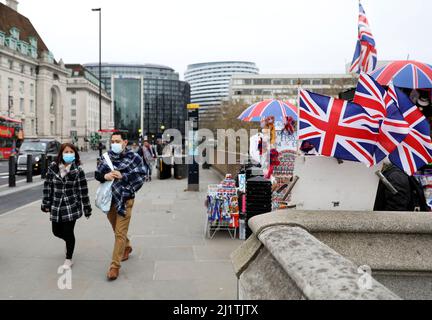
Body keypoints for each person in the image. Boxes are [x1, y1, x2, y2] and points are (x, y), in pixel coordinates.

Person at [95, 131, 147, 281]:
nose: (114, 144)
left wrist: (123, 176)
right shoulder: (106, 157)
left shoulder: (134, 158)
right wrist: (105, 176)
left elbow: (140, 176)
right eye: (113, 141)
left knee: (119, 233)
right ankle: (127, 246)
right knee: (116, 229)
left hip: (125, 199)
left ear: (125, 143)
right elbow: (98, 174)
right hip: (109, 199)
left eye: (118, 141)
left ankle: (114, 267)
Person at [41, 143, 92, 269]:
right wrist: (46, 202)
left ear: (75, 154)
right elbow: (48, 186)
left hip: (71, 205)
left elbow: (83, 190)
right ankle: (69, 242)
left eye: (71, 152)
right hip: (56, 205)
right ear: (61, 154)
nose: (68, 154)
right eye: (66, 152)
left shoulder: (78, 170)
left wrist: (87, 207)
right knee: (56, 231)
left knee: (68, 232)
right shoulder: (53, 167)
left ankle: (69, 258)